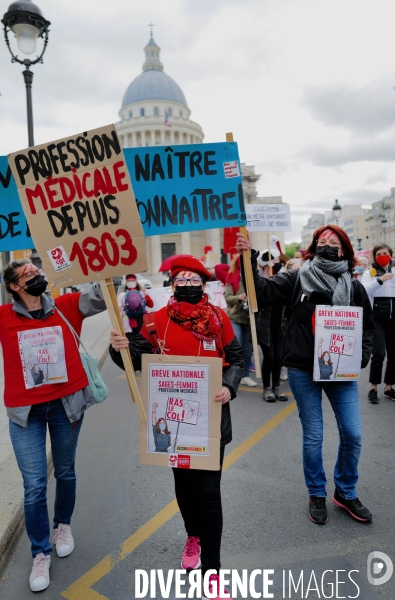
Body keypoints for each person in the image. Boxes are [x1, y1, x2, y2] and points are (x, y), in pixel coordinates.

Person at [109, 256, 244, 600]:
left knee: (209, 492)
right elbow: (134, 358)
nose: (188, 283)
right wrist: (118, 347)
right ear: (172, 284)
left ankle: (213, 573)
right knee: (184, 486)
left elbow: (238, 357)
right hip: (173, 426)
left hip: (212, 418)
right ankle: (192, 536)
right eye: (181, 278)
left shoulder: (218, 318)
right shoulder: (155, 323)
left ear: (203, 285)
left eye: (195, 279)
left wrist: (229, 385)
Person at [236, 225, 374, 525]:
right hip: (302, 368)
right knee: (314, 435)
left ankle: (345, 492)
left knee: (353, 433)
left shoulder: (354, 285)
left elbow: (367, 326)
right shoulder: (298, 277)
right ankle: (317, 493)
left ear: (344, 250)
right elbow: (262, 292)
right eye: (321, 241)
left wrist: (360, 356)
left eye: (333, 242)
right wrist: (247, 259)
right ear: (314, 246)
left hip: (341, 371)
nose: (327, 245)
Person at [1, 259, 107, 592]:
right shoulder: (4, 318)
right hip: (25, 414)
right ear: (15, 287)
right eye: (27, 274)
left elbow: (102, 295)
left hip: (66, 406)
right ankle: (40, 553)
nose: (35, 275)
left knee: (65, 471)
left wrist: (111, 265)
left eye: (36, 270)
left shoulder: (65, 306)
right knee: (33, 485)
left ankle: (63, 525)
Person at [361, 243, 395, 404]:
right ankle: (373, 387)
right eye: (379, 254)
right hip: (377, 319)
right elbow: (364, 290)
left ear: (391, 255)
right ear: (375, 257)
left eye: (385, 253)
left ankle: (389, 387)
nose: (383, 256)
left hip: (393, 317)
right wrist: (380, 280)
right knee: (379, 353)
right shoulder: (370, 272)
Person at [255, 250, 288, 402]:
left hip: (279, 324)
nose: (273, 263)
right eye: (270, 261)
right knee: (269, 356)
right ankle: (267, 388)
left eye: (274, 261)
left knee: (279, 357)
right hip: (265, 324)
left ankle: (276, 386)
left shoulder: (282, 277)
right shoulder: (260, 280)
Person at [224, 254, 257, 387]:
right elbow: (228, 297)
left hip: (249, 319)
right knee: (235, 347)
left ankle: (245, 375)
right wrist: (240, 297)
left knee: (248, 349)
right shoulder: (231, 277)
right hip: (234, 317)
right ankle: (231, 374)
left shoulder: (253, 277)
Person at [117, 274, 153, 341]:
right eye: (129, 281)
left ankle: (133, 350)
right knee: (142, 336)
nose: (131, 282)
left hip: (128, 319)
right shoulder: (141, 293)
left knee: (132, 338)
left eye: (132, 281)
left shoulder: (123, 295)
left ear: (136, 282)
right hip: (140, 318)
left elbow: (117, 309)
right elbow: (151, 305)